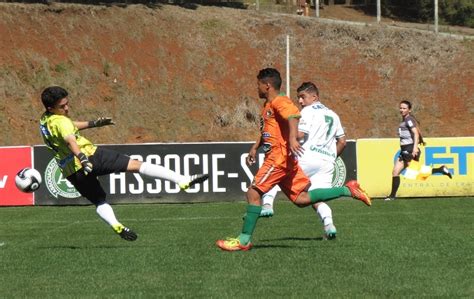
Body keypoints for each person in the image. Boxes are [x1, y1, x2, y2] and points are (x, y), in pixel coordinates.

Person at [216, 68, 371, 252]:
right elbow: (269, 130)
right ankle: (348, 190)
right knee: (301, 199)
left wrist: (291, 139)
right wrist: (256, 146)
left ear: (267, 85)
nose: (256, 88)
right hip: (285, 160)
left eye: (258, 84)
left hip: (278, 158)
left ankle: (243, 240)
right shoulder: (268, 105)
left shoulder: (280, 101)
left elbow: (293, 114)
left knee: (253, 193)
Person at [39, 86, 209, 241]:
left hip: (70, 171)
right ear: (50, 107)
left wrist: (94, 124)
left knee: (99, 201)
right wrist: (82, 157)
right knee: (136, 165)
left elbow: (69, 126)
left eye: (67, 104)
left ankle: (116, 224)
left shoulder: (46, 120)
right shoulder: (61, 121)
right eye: (62, 106)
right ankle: (182, 180)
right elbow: (70, 139)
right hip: (90, 156)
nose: (67, 108)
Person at [259, 81, 346, 240]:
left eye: (302, 97)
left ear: (314, 96)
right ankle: (329, 225)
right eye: (298, 98)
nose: (300, 101)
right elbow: (342, 142)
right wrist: (331, 157)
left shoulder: (307, 112)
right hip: (326, 163)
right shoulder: (334, 114)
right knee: (317, 197)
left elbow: (301, 135)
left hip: (306, 157)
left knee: (277, 170)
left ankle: (267, 204)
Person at [385, 100, 452, 201]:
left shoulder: (408, 120)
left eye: (404, 108)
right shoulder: (406, 120)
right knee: (395, 172)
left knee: (416, 173)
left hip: (409, 149)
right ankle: (392, 196)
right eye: (400, 108)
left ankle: (441, 169)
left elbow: (415, 132)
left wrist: (415, 147)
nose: (401, 110)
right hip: (404, 150)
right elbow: (418, 131)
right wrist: (421, 140)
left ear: (409, 110)